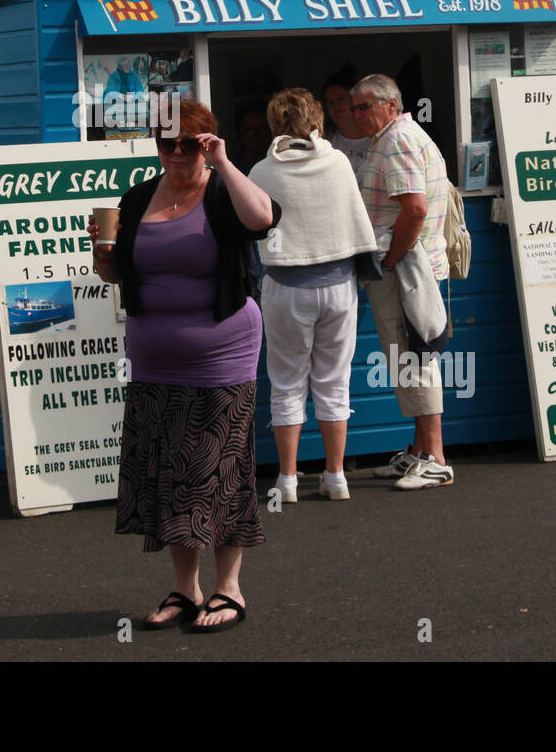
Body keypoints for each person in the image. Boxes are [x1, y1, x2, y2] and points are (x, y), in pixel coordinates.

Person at [89, 101, 279, 633]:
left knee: (217, 471)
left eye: (189, 143)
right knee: (167, 473)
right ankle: (185, 588)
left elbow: (262, 219)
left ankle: (230, 589)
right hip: (152, 358)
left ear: (206, 143)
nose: (176, 153)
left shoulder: (222, 192)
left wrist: (222, 161)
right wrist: (101, 253)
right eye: (166, 143)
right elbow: (112, 274)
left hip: (222, 353)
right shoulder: (137, 198)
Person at [248, 89, 376, 502]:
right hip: (338, 285)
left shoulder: (261, 171)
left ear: (274, 124)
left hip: (285, 287)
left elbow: (246, 224)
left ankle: (287, 480)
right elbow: (354, 216)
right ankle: (335, 475)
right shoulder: (337, 162)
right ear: (317, 120)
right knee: (334, 381)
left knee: (286, 383)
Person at [351, 73, 454, 489]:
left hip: (406, 270)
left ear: (391, 105)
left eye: (366, 106)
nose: (357, 114)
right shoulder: (401, 135)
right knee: (410, 356)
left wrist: (390, 261)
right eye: (354, 107)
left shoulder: (396, 142)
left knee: (415, 358)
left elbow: (413, 209)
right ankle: (418, 452)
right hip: (414, 266)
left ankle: (435, 457)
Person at [322, 69, 371, 181]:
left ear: (355, 100)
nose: (336, 106)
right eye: (330, 102)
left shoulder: (378, 140)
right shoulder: (324, 145)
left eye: (340, 99)